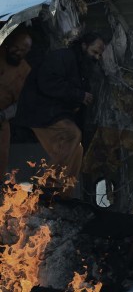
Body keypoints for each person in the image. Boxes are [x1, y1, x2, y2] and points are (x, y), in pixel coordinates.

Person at [15, 32, 106, 192]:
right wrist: (79, 95)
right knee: (72, 134)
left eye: (99, 55)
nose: (97, 57)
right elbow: (48, 82)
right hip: (39, 110)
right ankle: (47, 183)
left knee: (77, 149)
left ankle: (63, 191)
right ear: (84, 46)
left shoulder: (82, 68)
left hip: (56, 113)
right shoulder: (63, 57)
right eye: (94, 52)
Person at [0, 29, 33, 176]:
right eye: (16, 48)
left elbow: (22, 103)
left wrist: (3, 115)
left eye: (22, 51)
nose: (18, 52)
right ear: (9, 43)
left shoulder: (25, 71)